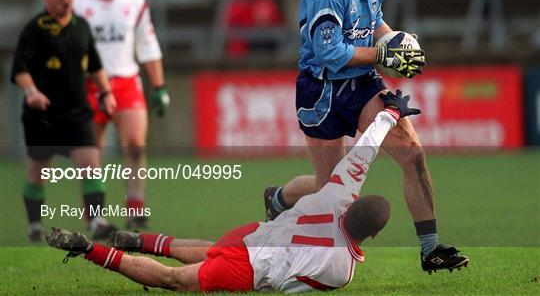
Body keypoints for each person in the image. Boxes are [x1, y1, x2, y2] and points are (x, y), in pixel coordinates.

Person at [48, 90, 466, 292]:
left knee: (214, 247)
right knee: (176, 281)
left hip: (249, 236)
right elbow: (288, 284)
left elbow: (367, 149)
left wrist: (391, 111)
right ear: (371, 237)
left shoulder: (339, 191)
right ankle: (90, 249)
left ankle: (140, 239)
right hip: (251, 267)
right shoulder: (342, 271)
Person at [263, 0, 467, 273]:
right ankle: (280, 198)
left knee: (413, 154)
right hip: (322, 89)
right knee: (328, 187)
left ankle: (431, 249)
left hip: (361, 83)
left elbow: (373, 24)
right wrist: (381, 54)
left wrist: (395, 40)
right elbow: (331, 53)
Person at [11, 0, 118, 241]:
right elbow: (19, 68)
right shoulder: (35, 28)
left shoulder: (81, 26)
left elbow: (94, 64)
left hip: (77, 112)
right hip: (42, 114)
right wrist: (32, 91)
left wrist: (106, 93)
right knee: (38, 170)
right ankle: (35, 224)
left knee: (91, 163)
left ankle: (96, 221)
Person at [73, 0, 170, 229]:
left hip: (126, 81)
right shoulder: (76, 2)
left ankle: (135, 210)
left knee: (136, 146)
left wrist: (159, 86)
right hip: (88, 85)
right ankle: (96, 216)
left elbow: (148, 45)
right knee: (92, 152)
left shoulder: (134, 1)